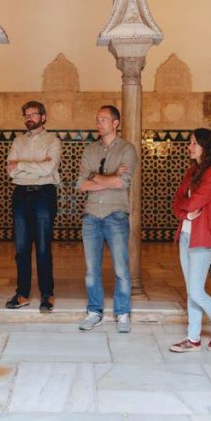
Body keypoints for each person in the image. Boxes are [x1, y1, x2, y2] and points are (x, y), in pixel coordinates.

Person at [76, 105, 138, 334]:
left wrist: (96, 177)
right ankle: (95, 312)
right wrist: (110, 177)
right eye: (97, 119)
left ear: (115, 123)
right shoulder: (90, 150)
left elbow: (123, 183)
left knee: (121, 268)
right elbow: (80, 185)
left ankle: (122, 313)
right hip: (91, 216)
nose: (98, 123)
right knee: (92, 269)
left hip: (116, 215)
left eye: (103, 119)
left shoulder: (127, 149)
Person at [168, 129, 211, 353]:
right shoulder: (192, 170)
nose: (189, 147)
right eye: (190, 143)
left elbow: (194, 201)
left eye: (194, 143)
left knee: (196, 291)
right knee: (191, 289)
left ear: (206, 146)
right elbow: (177, 202)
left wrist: (186, 207)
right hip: (186, 234)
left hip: (203, 236)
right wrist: (185, 214)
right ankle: (193, 339)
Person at [5, 100, 62, 313]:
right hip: (20, 195)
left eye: (33, 114)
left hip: (44, 195)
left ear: (43, 117)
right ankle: (22, 294)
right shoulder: (18, 141)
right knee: (21, 249)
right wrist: (32, 167)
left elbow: (49, 168)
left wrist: (20, 165)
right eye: (26, 115)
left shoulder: (53, 141)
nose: (30, 118)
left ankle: (47, 294)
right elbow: (10, 170)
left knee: (44, 248)